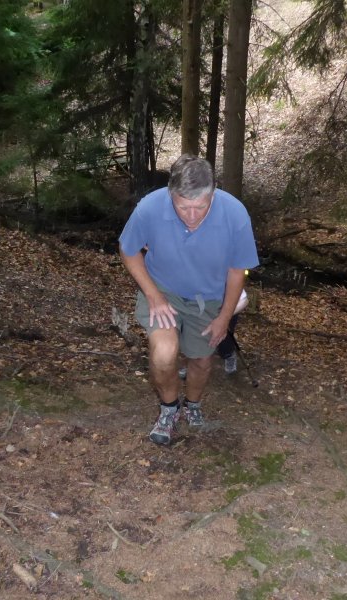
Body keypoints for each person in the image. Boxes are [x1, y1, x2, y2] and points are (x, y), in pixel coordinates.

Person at [119, 154, 259, 445]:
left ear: (213, 193)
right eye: (184, 206)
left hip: (207, 298)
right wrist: (153, 295)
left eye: (201, 207)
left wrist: (224, 318)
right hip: (163, 290)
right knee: (164, 352)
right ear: (171, 194)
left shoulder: (235, 215)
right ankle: (169, 409)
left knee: (201, 360)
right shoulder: (150, 208)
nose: (192, 216)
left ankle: (193, 404)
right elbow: (128, 249)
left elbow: (237, 271)